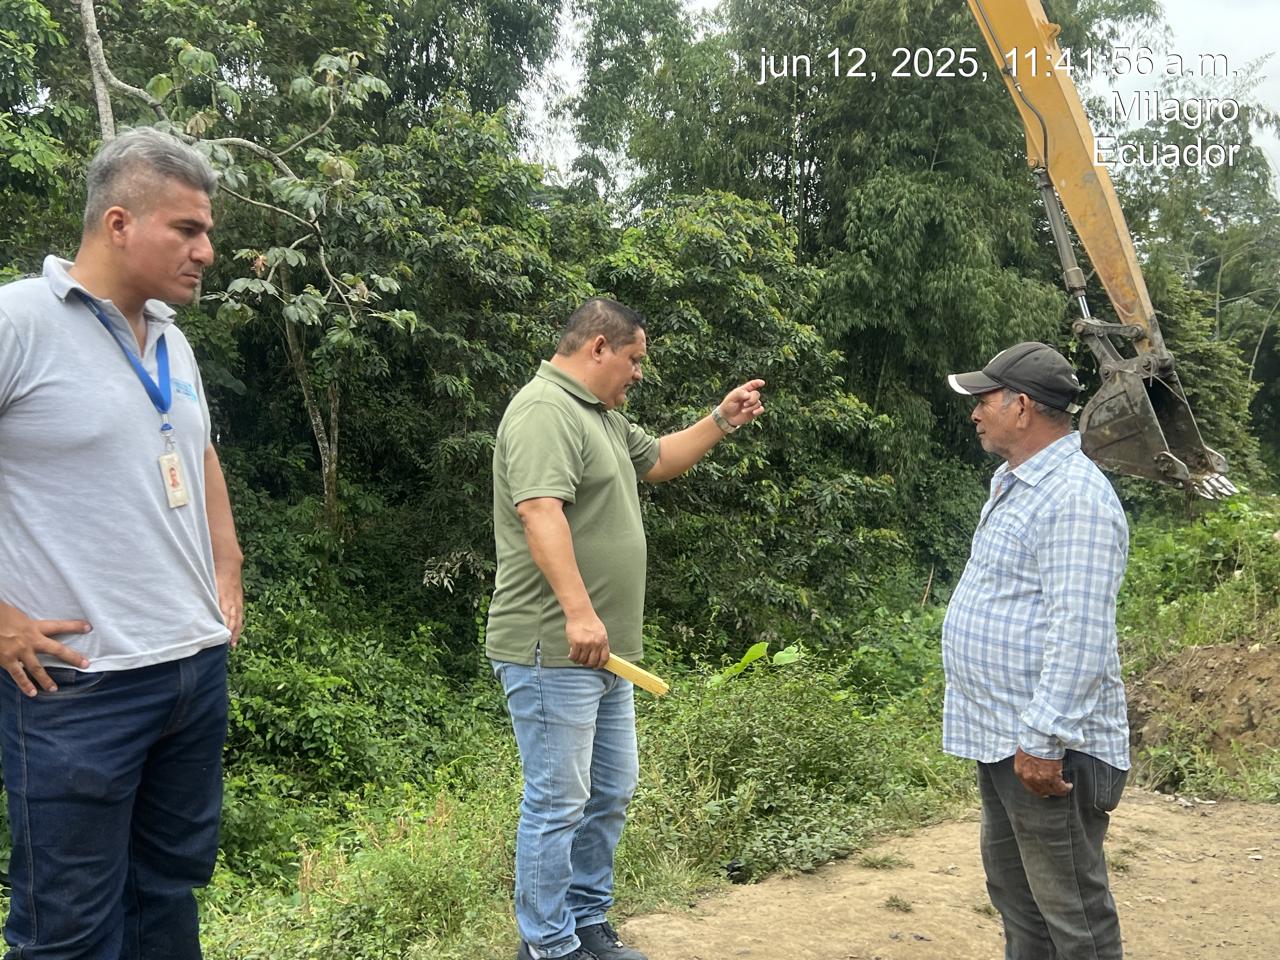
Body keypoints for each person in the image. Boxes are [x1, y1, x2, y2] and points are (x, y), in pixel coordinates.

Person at [0, 127, 243, 959]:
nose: (207, 252)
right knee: (67, 931)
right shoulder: (18, 322)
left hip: (190, 671)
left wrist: (228, 565)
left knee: (166, 899)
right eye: (188, 229)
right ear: (118, 224)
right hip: (78, 685)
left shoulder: (172, 338)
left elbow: (198, 453)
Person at [487, 298, 764, 960]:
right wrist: (579, 613)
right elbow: (540, 512)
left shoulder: (600, 416)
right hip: (555, 646)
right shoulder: (544, 410)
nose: (639, 373)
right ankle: (547, 945)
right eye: (635, 359)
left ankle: (586, 923)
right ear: (598, 348)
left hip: (604, 655)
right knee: (558, 802)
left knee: (610, 791)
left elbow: (659, 459)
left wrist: (721, 420)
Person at [942, 342, 1130, 960]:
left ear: (1021, 407)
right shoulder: (1018, 483)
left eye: (985, 400)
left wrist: (1045, 739)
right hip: (1006, 736)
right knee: (1019, 902)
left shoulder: (1073, 497)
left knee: (1072, 915)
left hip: (1051, 749)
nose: (975, 413)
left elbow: (1081, 632)